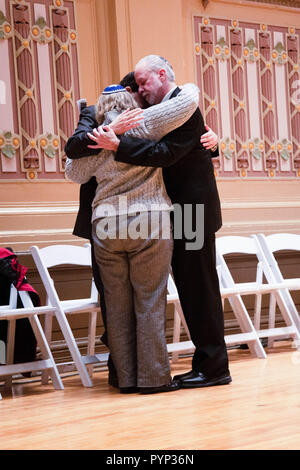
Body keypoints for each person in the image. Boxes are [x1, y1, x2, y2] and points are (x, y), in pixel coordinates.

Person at [84, 55, 232, 389]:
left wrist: (119, 145)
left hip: (191, 210)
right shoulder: (162, 110)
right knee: (181, 287)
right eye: (135, 88)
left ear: (161, 75)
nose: (140, 92)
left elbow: (166, 154)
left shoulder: (181, 107)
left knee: (198, 288)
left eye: (143, 84)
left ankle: (214, 367)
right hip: (166, 212)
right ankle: (181, 365)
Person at [65, 81, 200, 393]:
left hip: (106, 223)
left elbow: (73, 173)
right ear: (132, 103)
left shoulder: (97, 137)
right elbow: (189, 100)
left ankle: (126, 380)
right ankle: (153, 379)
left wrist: (98, 132)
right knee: (150, 301)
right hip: (148, 217)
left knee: (116, 304)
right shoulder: (146, 124)